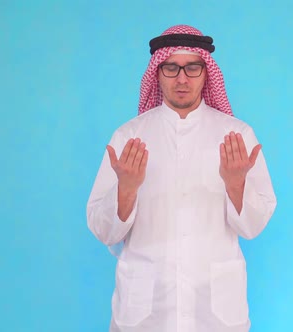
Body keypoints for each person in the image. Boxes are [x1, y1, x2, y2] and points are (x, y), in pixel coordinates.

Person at [87, 24, 276, 332]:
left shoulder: (237, 136)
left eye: (192, 68)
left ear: (206, 72)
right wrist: (126, 191)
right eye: (171, 68)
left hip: (215, 313)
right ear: (158, 72)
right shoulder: (129, 136)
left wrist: (236, 185)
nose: (182, 79)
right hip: (145, 313)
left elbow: (252, 227)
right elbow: (102, 230)